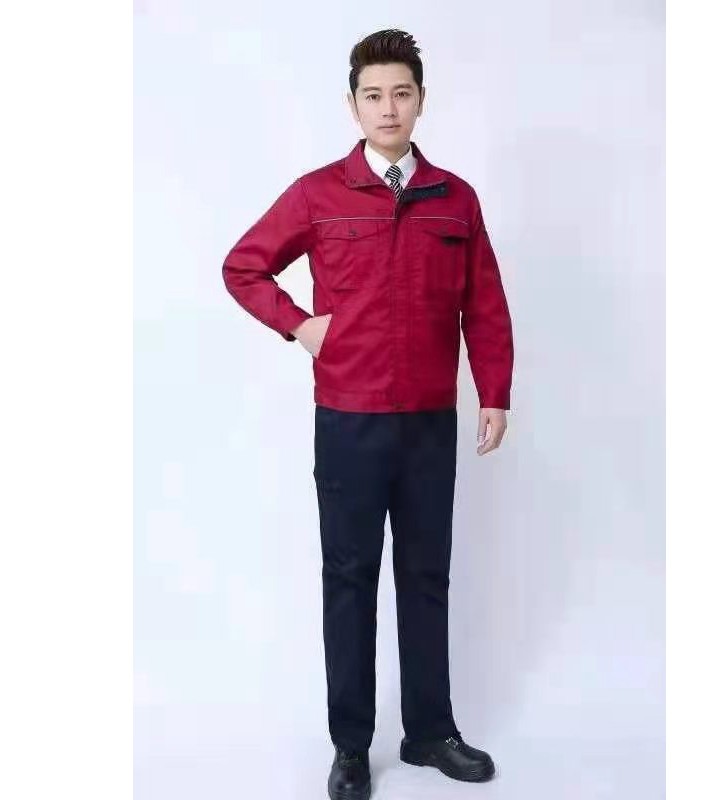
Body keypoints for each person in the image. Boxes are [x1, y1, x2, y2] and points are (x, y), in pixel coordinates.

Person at [222, 28, 514, 800]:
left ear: (421, 100)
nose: (389, 108)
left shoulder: (455, 199)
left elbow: (484, 302)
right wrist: (299, 324)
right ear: (353, 105)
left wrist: (494, 391)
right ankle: (351, 747)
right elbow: (244, 266)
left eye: (401, 93)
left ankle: (430, 732)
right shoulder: (318, 194)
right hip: (349, 420)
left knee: (426, 576)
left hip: (428, 423)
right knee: (349, 579)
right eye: (374, 95)